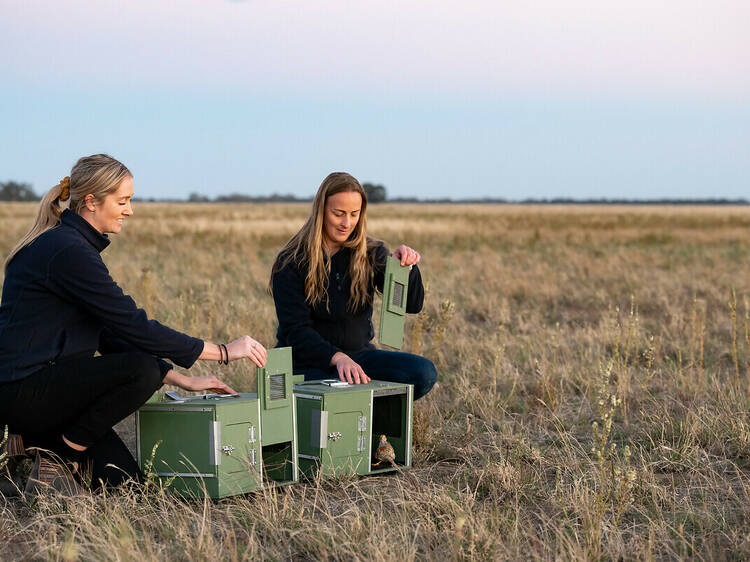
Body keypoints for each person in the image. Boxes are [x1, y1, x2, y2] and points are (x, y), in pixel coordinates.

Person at [0, 154, 267, 492]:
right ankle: (59, 456)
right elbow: (132, 324)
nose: (129, 210)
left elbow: (107, 334)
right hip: (22, 392)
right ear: (92, 202)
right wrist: (224, 351)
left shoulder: (71, 245)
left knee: (126, 486)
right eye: (122, 201)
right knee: (141, 370)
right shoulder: (67, 250)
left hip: (45, 391)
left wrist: (178, 377)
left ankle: (27, 444)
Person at [269, 172, 437, 400]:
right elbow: (295, 331)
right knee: (322, 391)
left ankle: (369, 412)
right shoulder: (291, 261)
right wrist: (337, 358)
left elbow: (412, 305)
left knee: (423, 372)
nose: (346, 223)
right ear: (320, 211)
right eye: (338, 214)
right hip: (306, 364)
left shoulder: (372, 253)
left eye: (354, 214)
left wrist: (406, 269)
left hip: (359, 359)